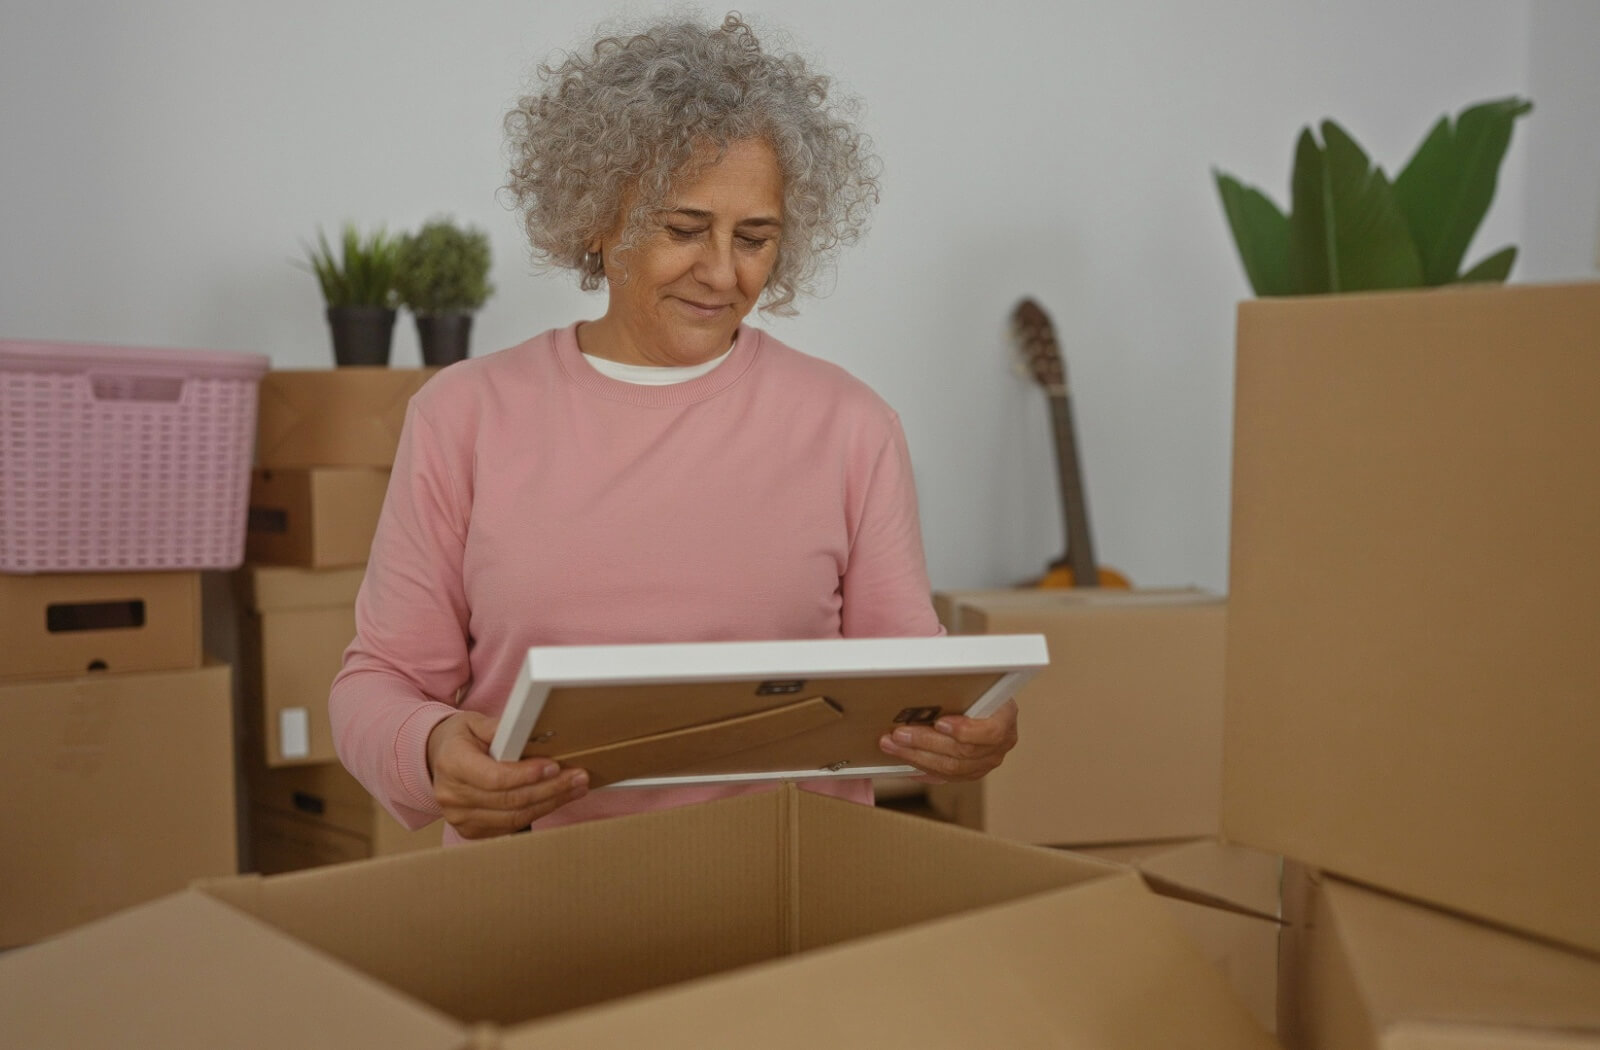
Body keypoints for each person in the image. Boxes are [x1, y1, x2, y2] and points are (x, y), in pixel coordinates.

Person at [329, 12, 1017, 843]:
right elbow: (380, 682)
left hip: (791, 892)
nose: (722, 272)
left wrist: (967, 727)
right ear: (599, 216)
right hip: (535, 906)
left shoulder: (851, 428)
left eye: (754, 238)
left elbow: (909, 682)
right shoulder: (464, 415)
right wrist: (431, 747)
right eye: (685, 229)